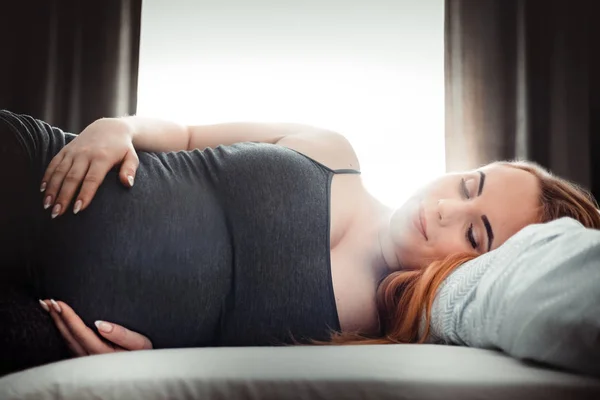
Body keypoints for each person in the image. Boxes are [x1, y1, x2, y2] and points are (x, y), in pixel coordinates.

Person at [2, 109, 599, 375]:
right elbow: (184, 133)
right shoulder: (334, 151)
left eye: (474, 233)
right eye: (469, 184)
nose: (444, 207)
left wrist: (148, 360)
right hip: (39, 171)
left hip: (55, 323)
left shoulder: (371, 339)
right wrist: (117, 127)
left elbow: (222, 364)